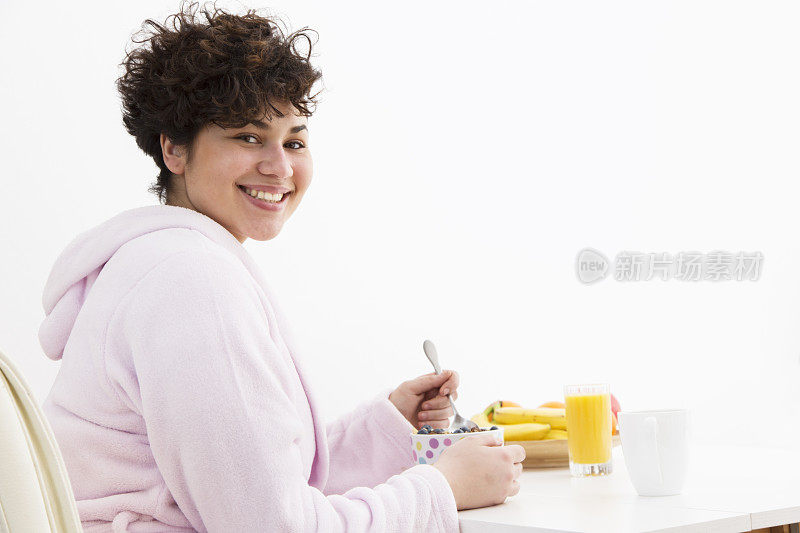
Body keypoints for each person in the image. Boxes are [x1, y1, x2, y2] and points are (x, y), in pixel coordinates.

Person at [37, 2, 524, 531]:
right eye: (248, 137)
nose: (280, 167)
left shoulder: (163, 262)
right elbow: (273, 524)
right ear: (173, 149)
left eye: (294, 141)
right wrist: (444, 488)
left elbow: (261, 480)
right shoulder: (189, 281)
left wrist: (389, 425)